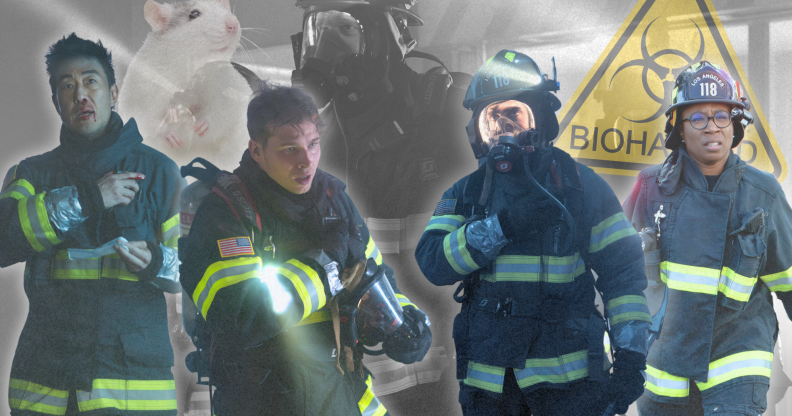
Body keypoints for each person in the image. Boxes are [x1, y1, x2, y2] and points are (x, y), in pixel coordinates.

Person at [415, 49, 652, 416]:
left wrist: (631, 360)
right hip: (490, 387)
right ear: (476, 132)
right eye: (491, 121)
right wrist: (501, 227)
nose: (503, 130)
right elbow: (433, 262)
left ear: (541, 119)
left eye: (515, 115)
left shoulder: (581, 188)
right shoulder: (466, 193)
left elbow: (623, 277)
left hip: (570, 387)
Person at [178, 81, 432, 416]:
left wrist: (402, 323)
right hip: (263, 400)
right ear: (256, 150)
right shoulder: (225, 213)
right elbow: (240, 317)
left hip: (339, 391)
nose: (306, 161)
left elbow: (373, 274)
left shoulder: (334, 199)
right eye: (289, 149)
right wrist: (325, 269)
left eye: (313, 145)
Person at [291, 1, 478, 410]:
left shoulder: (449, 114)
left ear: (392, 33)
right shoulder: (306, 138)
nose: (321, 49)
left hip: (451, 368)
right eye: (314, 31)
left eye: (342, 28)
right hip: (361, 370)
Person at [0, 33, 184, 415]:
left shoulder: (160, 173)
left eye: (90, 81)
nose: (80, 94)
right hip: (46, 387)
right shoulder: (30, 174)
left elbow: (193, 269)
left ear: (114, 93)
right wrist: (87, 200)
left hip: (134, 392)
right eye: (67, 86)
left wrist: (153, 260)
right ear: (55, 103)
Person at [623, 60, 792, 416]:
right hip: (664, 371)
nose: (711, 127)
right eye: (697, 118)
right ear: (679, 129)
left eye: (721, 116)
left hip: (737, 363)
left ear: (735, 125)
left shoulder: (764, 193)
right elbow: (618, 276)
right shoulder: (649, 189)